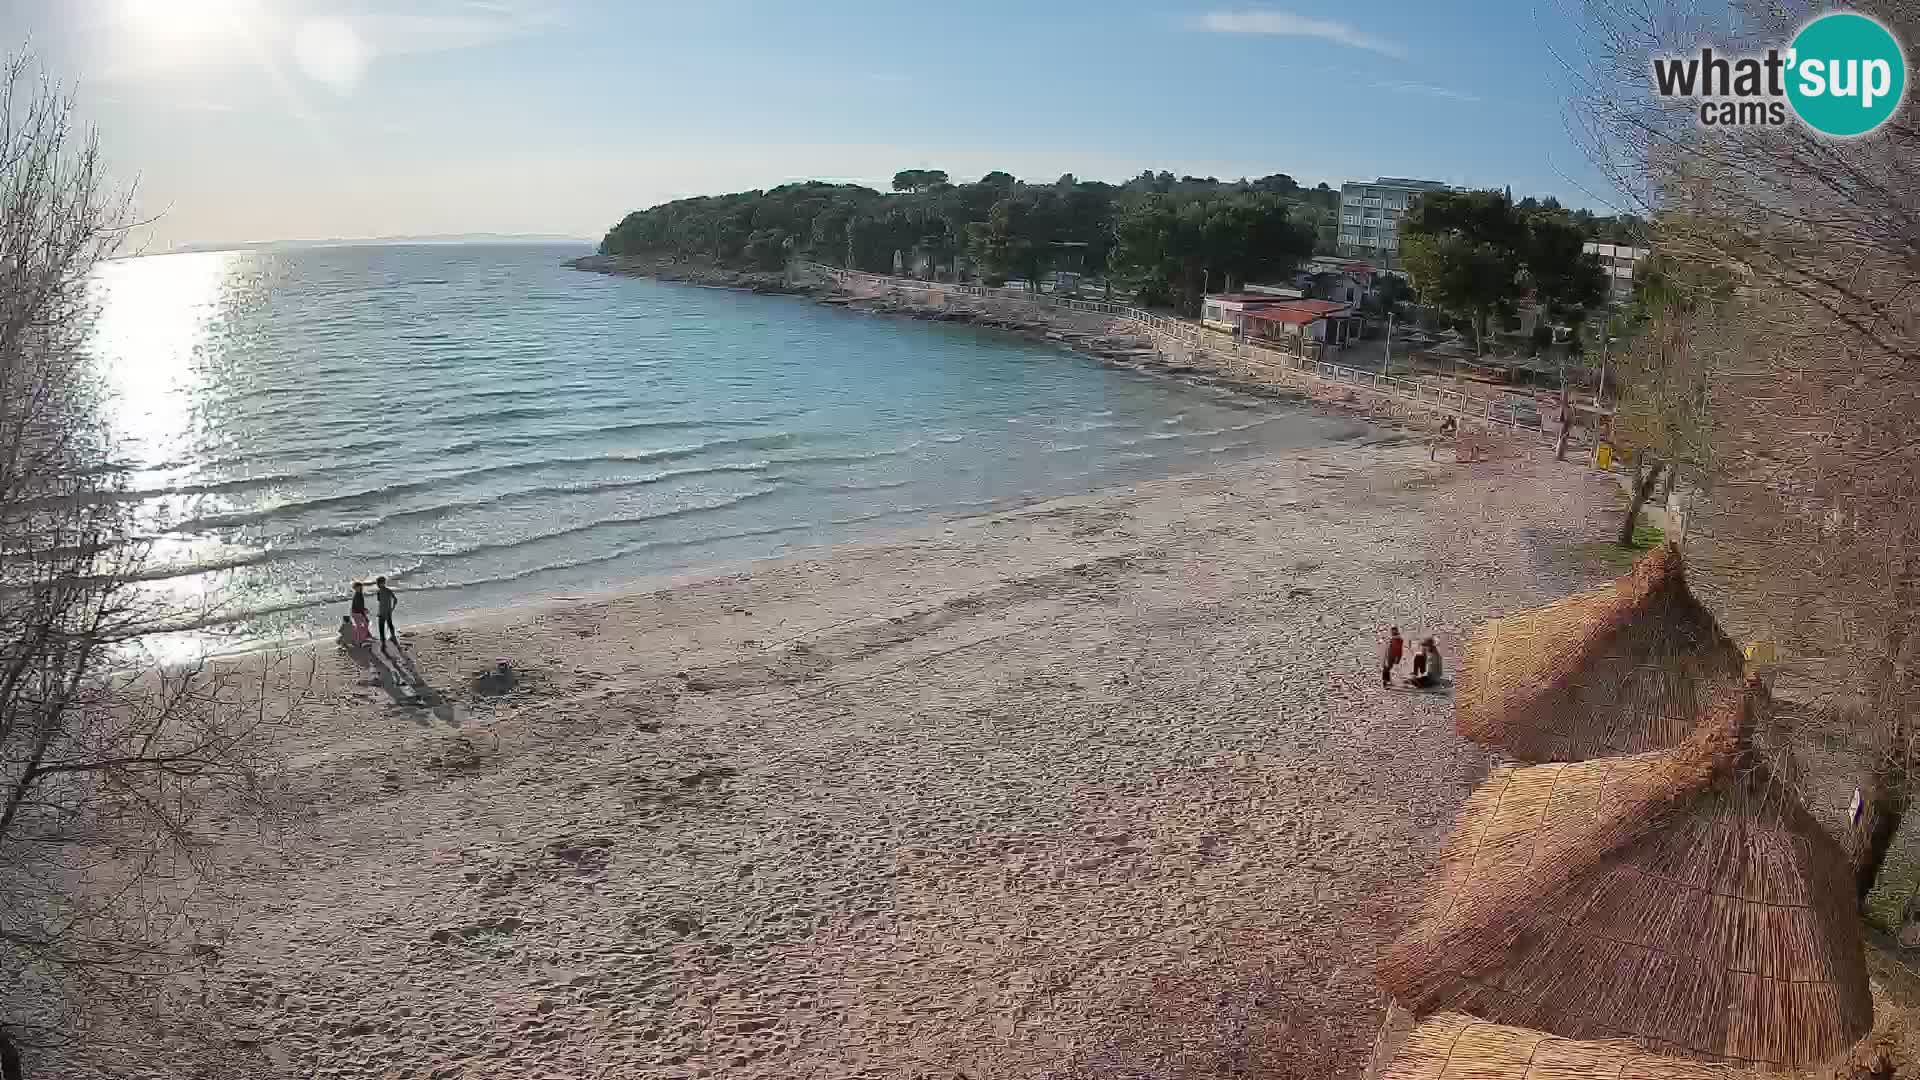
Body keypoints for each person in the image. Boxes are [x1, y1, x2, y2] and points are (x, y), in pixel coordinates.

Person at [375, 575, 399, 649]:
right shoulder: (388, 590)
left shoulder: (379, 592)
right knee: (390, 624)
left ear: (379, 583)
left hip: (382, 612)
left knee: (381, 627)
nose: (377, 584)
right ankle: (393, 637)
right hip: (388, 611)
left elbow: (380, 601)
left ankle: (383, 643)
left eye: (378, 583)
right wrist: (392, 608)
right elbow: (395, 600)